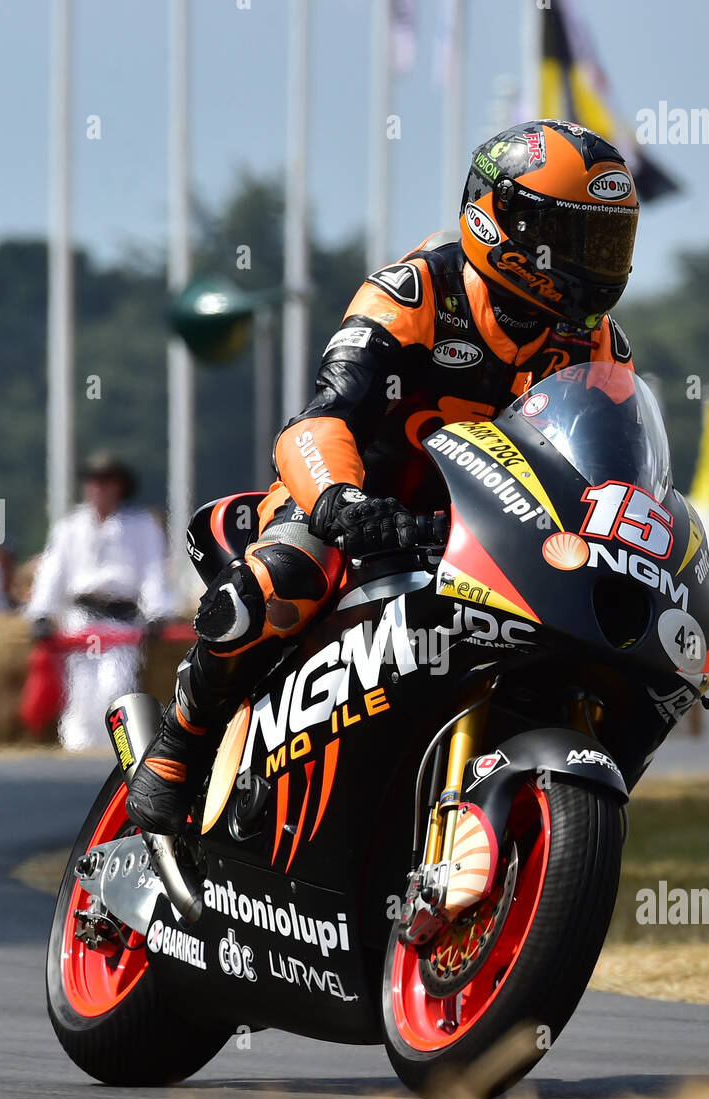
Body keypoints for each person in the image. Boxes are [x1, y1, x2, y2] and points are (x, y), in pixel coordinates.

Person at [126, 118, 640, 832]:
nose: (600, 262)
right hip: (360, 507)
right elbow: (319, 420)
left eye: (611, 240)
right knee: (284, 578)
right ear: (504, 225)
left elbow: (610, 468)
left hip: (488, 536)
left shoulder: (597, 343)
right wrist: (342, 503)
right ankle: (181, 741)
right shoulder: (415, 290)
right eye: (579, 238)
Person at [27, 451, 173, 751]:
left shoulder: (142, 526)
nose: (98, 487)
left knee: (115, 687)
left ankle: (112, 756)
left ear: (119, 486)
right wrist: (41, 613)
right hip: (81, 620)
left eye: (106, 481)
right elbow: (53, 572)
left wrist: (159, 612)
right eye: (93, 480)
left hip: (122, 621)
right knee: (80, 691)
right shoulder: (70, 527)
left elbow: (152, 573)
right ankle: (77, 751)